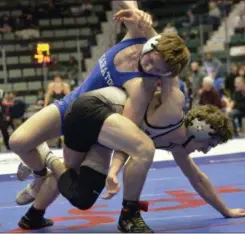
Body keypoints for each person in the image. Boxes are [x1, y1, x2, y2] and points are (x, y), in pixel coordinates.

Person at [11, 1, 190, 230]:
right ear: (151, 47)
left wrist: (114, 170)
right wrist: (135, 10)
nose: (149, 68)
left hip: (96, 124)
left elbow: (127, 130)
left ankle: (35, 211)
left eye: (158, 71)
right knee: (18, 142)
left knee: (71, 178)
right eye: (151, 61)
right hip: (70, 104)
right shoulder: (137, 35)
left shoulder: (142, 88)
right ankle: (38, 178)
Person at [16, 77, 245, 232]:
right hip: (95, 108)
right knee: (144, 147)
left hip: (104, 131)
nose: (205, 150)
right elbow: (170, 73)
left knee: (82, 196)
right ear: (201, 129)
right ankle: (129, 214)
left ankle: (35, 208)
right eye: (209, 143)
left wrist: (226, 211)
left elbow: (197, 179)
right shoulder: (171, 113)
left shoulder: (177, 145)